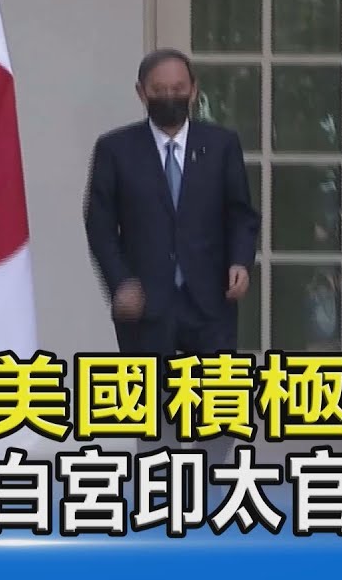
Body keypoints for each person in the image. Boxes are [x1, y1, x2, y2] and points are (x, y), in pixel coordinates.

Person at [84, 48, 260, 464]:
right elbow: (100, 226)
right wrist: (121, 282)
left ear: (194, 90)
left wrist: (240, 261)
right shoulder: (115, 149)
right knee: (152, 421)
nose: (170, 97)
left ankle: (212, 492)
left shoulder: (221, 145)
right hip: (145, 302)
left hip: (211, 297)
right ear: (141, 93)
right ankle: (161, 496)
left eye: (178, 88)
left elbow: (241, 214)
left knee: (219, 414)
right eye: (159, 89)